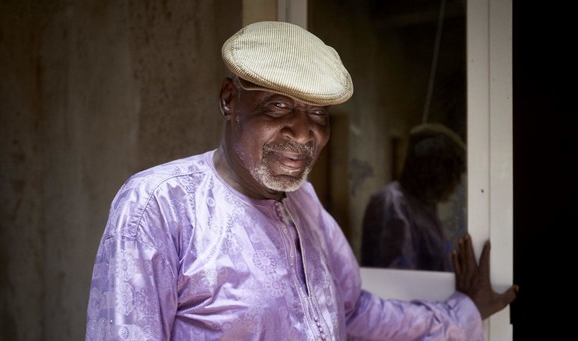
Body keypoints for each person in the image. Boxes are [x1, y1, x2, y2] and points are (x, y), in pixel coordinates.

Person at [85, 21, 517, 340]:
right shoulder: (158, 206)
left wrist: (464, 313)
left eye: (317, 114)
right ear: (229, 100)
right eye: (277, 106)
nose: (303, 132)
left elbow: (355, 313)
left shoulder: (305, 203)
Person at [361, 123, 467, 272]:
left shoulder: (423, 208)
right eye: (453, 173)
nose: (457, 183)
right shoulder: (393, 203)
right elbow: (398, 280)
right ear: (431, 168)